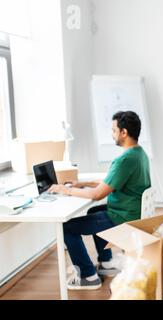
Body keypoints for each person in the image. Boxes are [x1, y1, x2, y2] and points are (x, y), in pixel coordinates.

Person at [49, 111, 151, 290]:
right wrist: (81, 183)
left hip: (122, 216)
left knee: (67, 227)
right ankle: (107, 262)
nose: (112, 134)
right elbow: (109, 181)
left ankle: (88, 276)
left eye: (113, 130)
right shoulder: (139, 153)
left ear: (124, 133)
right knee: (93, 212)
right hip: (131, 210)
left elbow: (97, 194)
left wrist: (66, 190)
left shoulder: (125, 159)